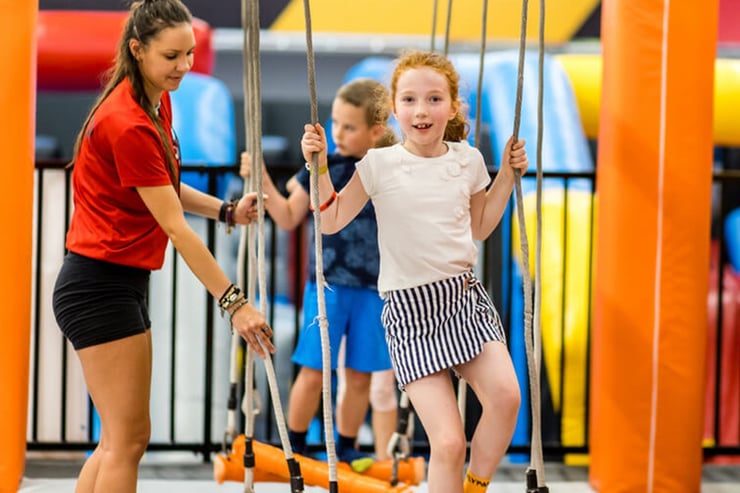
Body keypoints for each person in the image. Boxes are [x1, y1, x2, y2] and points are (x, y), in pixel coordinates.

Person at [51, 2, 274, 492]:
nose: (184, 66)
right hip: (97, 285)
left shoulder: (155, 100)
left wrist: (226, 210)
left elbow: (164, 185)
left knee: (119, 439)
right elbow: (175, 228)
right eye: (172, 56)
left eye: (190, 53)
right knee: (128, 440)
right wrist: (234, 303)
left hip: (119, 282)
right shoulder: (127, 121)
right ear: (138, 49)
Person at [303, 50, 528, 493]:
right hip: (410, 313)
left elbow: (481, 226)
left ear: (452, 105)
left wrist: (507, 176)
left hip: (463, 299)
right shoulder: (379, 164)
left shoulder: (468, 160)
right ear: (393, 108)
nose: (421, 111)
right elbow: (329, 220)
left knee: (506, 397)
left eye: (433, 99)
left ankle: (475, 486)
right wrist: (319, 166)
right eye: (409, 100)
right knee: (447, 442)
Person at [240, 78, 399, 465]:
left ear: (375, 131)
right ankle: (293, 444)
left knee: (359, 375)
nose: (339, 133)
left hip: (373, 287)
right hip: (326, 284)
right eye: (336, 123)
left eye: (350, 126)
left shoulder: (389, 166)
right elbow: (289, 216)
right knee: (313, 370)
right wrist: (262, 181)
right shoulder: (317, 166)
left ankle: (346, 446)